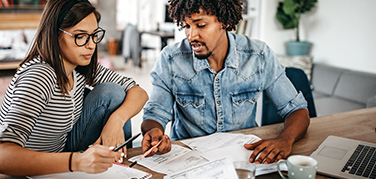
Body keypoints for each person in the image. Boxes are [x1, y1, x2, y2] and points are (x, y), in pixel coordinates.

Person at [141, 0, 310, 165]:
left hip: (245, 159)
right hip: (189, 162)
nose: (191, 35)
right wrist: (154, 132)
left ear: (224, 21)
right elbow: (154, 116)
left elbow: (297, 110)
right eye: (186, 26)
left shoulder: (258, 56)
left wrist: (285, 139)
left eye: (200, 25)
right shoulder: (170, 59)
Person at [0, 0, 148, 176]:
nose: (91, 45)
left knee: (114, 92)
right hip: (28, 170)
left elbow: (139, 92)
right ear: (55, 34)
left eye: (94, 35)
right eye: (80, 36)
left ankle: (122, 171)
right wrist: (76, 161)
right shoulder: (39, 76)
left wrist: (116, 121)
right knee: (112, 92)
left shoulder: (80, 67)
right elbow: (3, 154)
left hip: (61, 154)